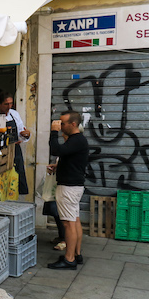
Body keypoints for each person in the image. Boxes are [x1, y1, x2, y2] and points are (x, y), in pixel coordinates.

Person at [47, 110, 89, 270]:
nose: (60, 125)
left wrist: (53, 132)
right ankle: (76, 254)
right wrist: (59, 166)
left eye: (63, 123)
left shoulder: (77, 140)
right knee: (74, 220)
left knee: (68, 224)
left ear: (73, 124)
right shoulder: (77, 141)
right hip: (73, 185)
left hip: (69, 188)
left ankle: (69, 259)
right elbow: (72, 159)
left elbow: (56, 150)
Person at [0, 92, 30, 196]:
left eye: (11, 103)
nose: (9, 106)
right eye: (6, 104)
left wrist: (26, 135)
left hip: (15, 150)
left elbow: (21, 131)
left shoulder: (14, 114)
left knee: (18, 174)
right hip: (0, 152)